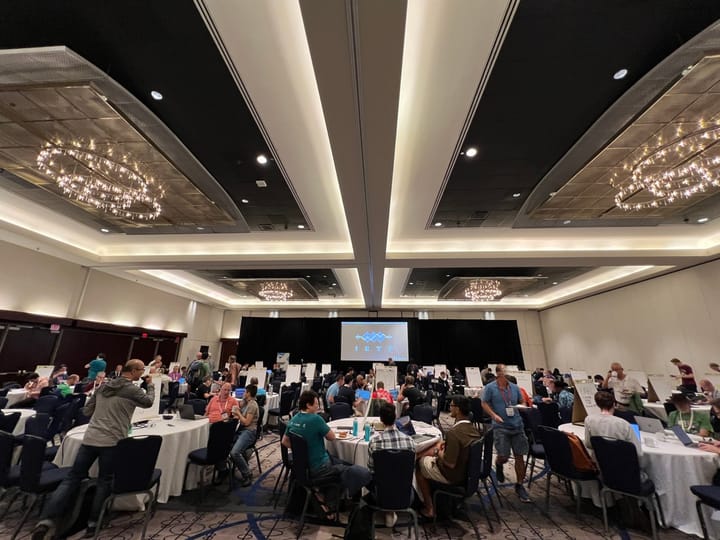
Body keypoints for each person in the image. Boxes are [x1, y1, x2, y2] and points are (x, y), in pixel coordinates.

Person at [32, 359, 155, 539]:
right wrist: (150, 386)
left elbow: (87, 411)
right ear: (135, 371)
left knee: (72, 478)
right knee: (104, 481)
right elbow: (148, 402)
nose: (143, 372)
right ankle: (93, 523)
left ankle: (46, 520)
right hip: (112, 440)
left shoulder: (104, 387)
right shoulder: (132, 389)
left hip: (90, 438)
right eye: (142, 370)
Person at [282, 390, 371, 516]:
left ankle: (326, 494)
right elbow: (331, 437)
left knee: (343, 462)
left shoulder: (294, 418)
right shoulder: (316, 419)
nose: (318, 406)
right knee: (356, 471)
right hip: (320, 467)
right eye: (316, 404)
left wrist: (302, 452)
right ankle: (334, 503)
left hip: (304, 468)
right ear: (308, 405)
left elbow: (284, 441)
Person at [416, 395, 482, 517]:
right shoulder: (473, 430)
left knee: (420, 464)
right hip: (468, 475)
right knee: (432, 451)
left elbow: (449, 463)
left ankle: (429, 508)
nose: (450, 408)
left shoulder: (454, 433)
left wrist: (437, 452)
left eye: (451, 406)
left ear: (457, 409)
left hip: (452, 475)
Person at [482, 364, 531, 503]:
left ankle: (520, 485)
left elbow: (522, 401)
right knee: (503, 456)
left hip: (517, 425)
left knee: (519, 456)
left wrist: (523, 406)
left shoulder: (515, 388)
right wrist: (493, 415)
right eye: (502, 372)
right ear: (497, 373)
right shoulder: (490, 388)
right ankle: (499, 464)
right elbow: (484, 403)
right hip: (500, 426)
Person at [368, 401, 416, 528]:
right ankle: (391, 511)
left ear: (381, 420)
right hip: (405, 495)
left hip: (381, 495)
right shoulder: (410, 441)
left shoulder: (375, 442)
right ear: (396, 417)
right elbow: (412, 468)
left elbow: (371, 469)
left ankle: (388, 510)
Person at [584, 391, 644, 462]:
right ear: (614, 404)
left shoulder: (589, 420)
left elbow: (588, 444)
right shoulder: (623, 424)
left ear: (597, 404)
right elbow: (638, 452)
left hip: (600, 464)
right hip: (623, 464)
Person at [230, 384, 259, 486]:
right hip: (242, 430)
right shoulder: (246, 403)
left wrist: (238, 413)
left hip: (249, 432)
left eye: (244, 392)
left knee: (235, 453)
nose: (243, 394)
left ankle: (247, 474)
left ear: (248, 393)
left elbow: (247, 422)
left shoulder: (253, 405)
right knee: (225, 443)